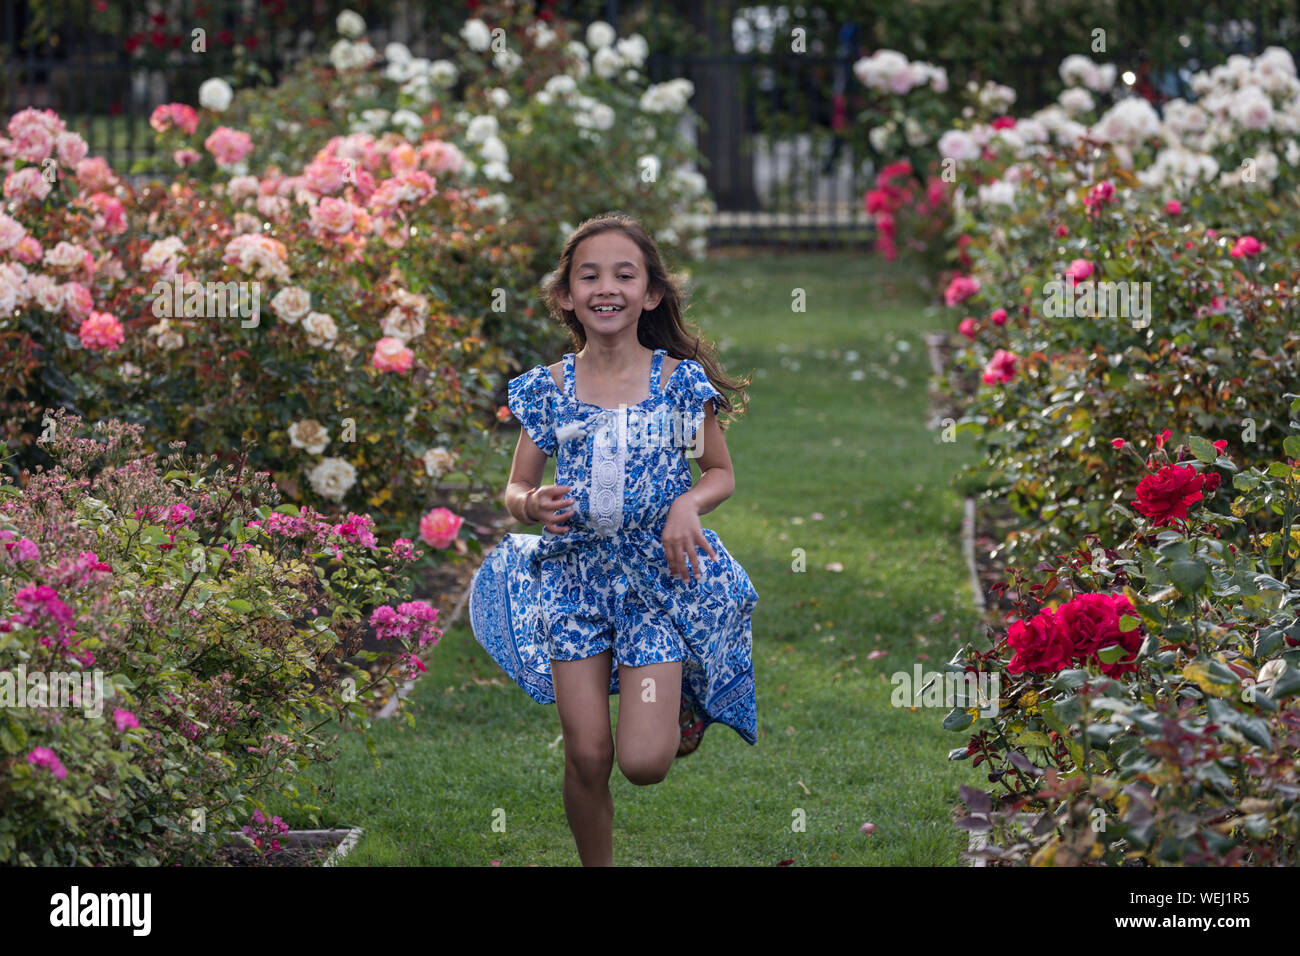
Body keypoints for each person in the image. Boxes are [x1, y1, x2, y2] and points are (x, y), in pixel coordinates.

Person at [468, 213, 759, 866]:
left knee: (643, 763)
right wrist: (531, 502)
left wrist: (688, 502)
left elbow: (719, 473)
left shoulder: (676, 384)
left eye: (624, 275)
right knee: (589, 752)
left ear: (650, 294)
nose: (607, 287)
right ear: (567, 295)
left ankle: (675, 697)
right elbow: (514, 490)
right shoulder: (549, 390)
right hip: (572, 585)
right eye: (588, 275)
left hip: (654, 586)